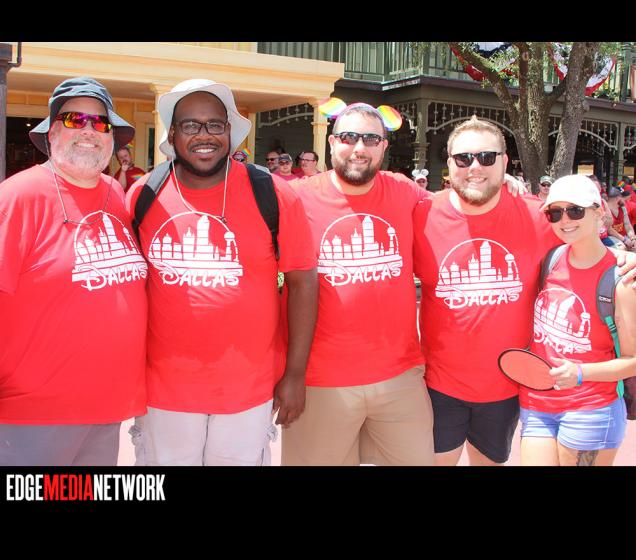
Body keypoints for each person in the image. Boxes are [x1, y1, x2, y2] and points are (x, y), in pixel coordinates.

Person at [413, 115, 636, 466]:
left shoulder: (539, 216)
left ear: (504, 162)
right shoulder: (422, 214)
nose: (475, 166)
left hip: (509, 385)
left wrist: (622, 256)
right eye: (464, 158)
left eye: (487, 157)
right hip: (439, 385)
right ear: (450, 164)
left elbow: (583, 240)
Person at [125, 79, 318, 466]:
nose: (204, 135)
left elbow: (303, 283)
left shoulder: (273, 193)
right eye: (190, 125)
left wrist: (295, 374)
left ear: (229, 131)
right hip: (164, 389)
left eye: (214, 124)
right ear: (173, 134)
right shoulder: (143, 195)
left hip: (247, 388)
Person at [0, 77, 148, 466]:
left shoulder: (114, 193)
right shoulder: (18, 197)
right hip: (32, 417)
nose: (88, 130)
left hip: (106, 410)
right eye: (74, 119)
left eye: (100, 122)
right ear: (51, 133)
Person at [280, 103, 436, 466]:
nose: (359, 148)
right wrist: (290, 374)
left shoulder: (405, 191)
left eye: (370, 139)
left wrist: (506, 187)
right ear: (332, 143)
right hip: (321, 380)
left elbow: (456, 208)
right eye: (349, 137)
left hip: (399, 376)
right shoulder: (296, 196)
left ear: (384, 146)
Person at [520, 175, 636, 466]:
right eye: (555, 212)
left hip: (591, 407)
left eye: (575, 210)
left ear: (598, 212)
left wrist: (581, 372)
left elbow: (633, 361)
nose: (565, 220)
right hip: (537, 404)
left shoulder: (621, 279)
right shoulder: (550, 259)